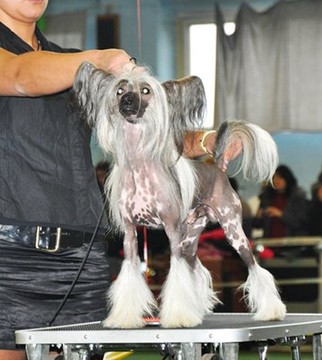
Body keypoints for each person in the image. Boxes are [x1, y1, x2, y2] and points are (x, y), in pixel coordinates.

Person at [0, 2, 239, 358]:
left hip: (82, 254)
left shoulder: (72, 65)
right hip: (11, 258)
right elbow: (20, 75)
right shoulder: (74, 66)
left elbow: (143, 128)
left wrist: (204, 140)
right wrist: (99, 60)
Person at [253, 165, 308, 239]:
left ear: (287, 179)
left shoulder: (297, 197)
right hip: (270, 242)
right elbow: (257, 225)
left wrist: (280, 214)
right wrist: (258, 217)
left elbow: (300, 223)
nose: (276, 180)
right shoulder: (267, 197)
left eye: (280, 177)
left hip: (291, 243)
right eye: (274, 178)